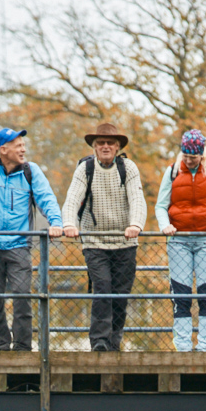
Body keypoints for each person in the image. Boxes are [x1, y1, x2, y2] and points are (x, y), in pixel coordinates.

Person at [0, 128, 71, 353]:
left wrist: (56, 223)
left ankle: (22, 348)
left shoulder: (30, 172)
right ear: (3, 149)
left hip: (19, 245)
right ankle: (0, 348)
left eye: (23, 145)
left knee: (22, 295)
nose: (23, 149)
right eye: (18, 146)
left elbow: (47, 199)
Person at [61, 120, 147, 351]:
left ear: (118, 147)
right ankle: (99, 341)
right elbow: (72, 198)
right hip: (95, 242)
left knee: (120, 296)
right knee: (102, 289)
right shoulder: (85, 169)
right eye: (101, 143)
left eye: (110, 142)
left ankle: (114, 341)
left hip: (125, 242)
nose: (105, 146)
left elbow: (137, 199)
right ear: (94, 147)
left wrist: (135, 224)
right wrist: (69, 223)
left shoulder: (128, 168)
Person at [155, 129, 206, 352]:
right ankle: (182, 348)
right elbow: (161, 205)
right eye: (185, 156)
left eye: (193, 157)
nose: (189, 161)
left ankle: (205, 348)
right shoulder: (172, 171)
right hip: (179, 241)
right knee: (181, 297)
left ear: (202, 154)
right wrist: (165, 225)